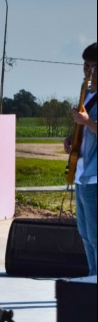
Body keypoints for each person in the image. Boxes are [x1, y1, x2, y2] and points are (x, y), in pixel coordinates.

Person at [64, 42, 97, 276]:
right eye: (85, 65)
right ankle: (91, 277)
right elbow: (84, 130)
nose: (88, 71)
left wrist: (86, 122)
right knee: (85, 233)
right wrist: (71, 138)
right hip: (81, 173)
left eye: (93, 66)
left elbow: (89, 124)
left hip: (95, 176)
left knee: (95, 234)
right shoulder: (85, 91)